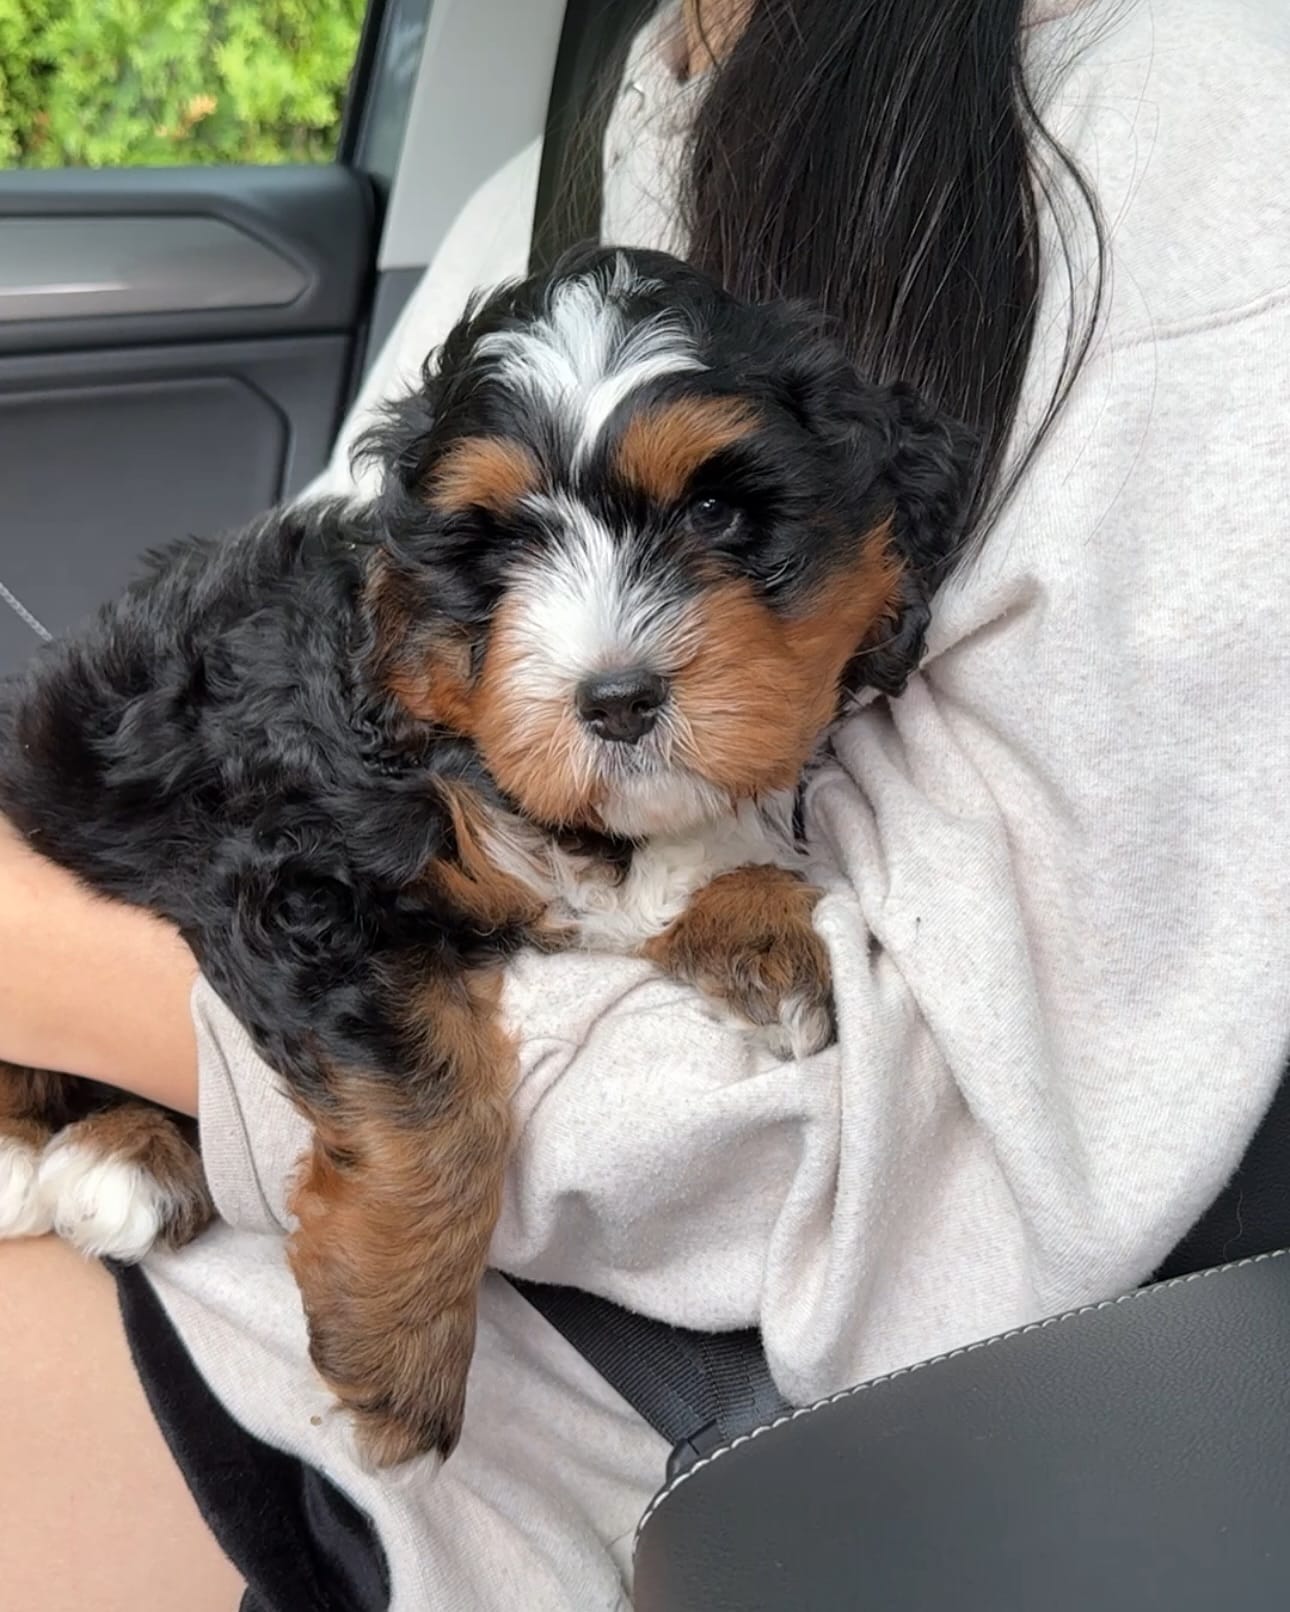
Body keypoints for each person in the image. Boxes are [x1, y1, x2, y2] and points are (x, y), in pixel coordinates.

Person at [4, 0, 1289, 1606]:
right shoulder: (578, 148)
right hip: (258, 1130)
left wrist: (49, 959)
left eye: (730, 518)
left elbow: (965, 1180)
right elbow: (329, 724)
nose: (604, 643)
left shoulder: (1202, 169)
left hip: (630, 1387)